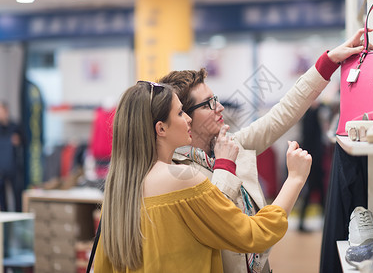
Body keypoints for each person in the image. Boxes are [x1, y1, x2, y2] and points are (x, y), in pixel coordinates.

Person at [158, 29, 370, 272]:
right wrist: (228, 165)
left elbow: (281, 114)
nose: (220, 107)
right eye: (208, 104)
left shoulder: (227, 145)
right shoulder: (178, 174)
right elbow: (226, 226)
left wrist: (329, 61)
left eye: (215, 98)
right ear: (185, 117)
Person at [94, 81, 313, 272]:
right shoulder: (183, 180)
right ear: (160, 129)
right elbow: (253, 234)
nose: (187, 119)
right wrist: (295, 179)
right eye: (180, 113)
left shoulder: (117, 193)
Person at [0, 101, 23, 212]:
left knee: (17, 193)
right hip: (1, 166)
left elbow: (25, 141)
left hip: (13, 165)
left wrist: (18, 141)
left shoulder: (14, 126)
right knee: (2, 196)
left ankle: (19, 214)